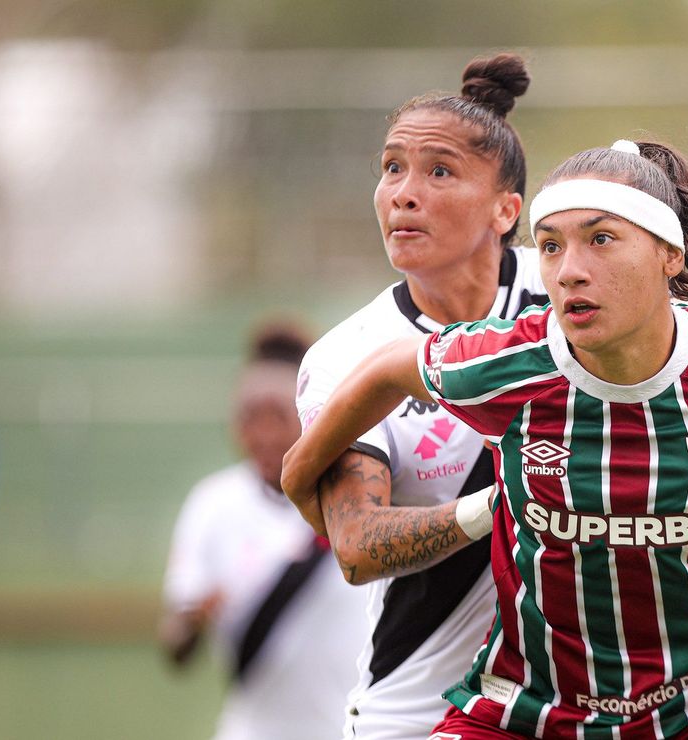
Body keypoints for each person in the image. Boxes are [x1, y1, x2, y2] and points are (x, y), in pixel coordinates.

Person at [284, 138, 688, 739]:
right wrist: (300, 467)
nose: (570, 271)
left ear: (671, 254)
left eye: (602, 240)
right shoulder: (510, 366)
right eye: (550, 247)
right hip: (532, 710)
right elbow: (396, 363)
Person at [292, 53, 548, 738]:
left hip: (583, 708)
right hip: (423, 715)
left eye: (438, 172)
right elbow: (356, 543)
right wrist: (502, 506)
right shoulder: (352, 353)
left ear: (506, 209)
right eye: (391, 168)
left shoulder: (568, 296)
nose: (403, 193)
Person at [160, 320, 369, 740]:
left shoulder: (358, 495)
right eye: (248, 417)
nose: (263, 434)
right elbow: (175, 644)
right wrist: (192, 620)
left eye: (276, 415)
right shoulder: (213, 504)